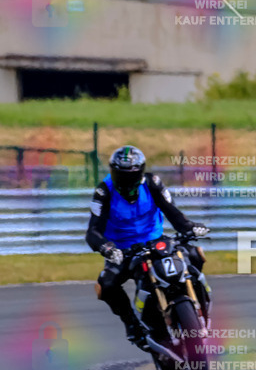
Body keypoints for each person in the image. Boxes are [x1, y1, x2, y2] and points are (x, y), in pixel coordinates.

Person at [85, 146, 209, 350]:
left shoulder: (153, 183)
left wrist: (189, 228)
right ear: (113, 172)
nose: (126, 180)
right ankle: (132, 325)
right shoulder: (104, 191)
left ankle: (201, 310)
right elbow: (93, 231)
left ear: (141, 172)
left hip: (156, 241)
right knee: (106, 285)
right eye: (120, 174)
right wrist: (106, 248)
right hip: (122, 250)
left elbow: (173, 213)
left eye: (131, 175)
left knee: (195, 255)